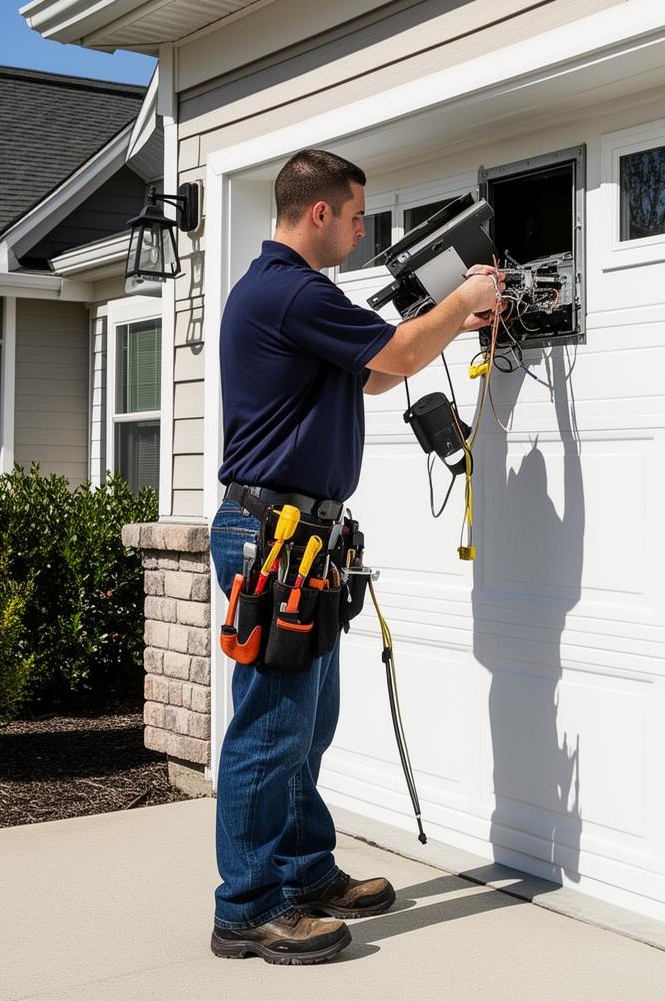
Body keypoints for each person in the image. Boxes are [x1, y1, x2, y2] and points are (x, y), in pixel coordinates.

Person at [207, 148, 502, 965]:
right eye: (357, 214)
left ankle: (302, 874)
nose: (364, 229)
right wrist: (465, 298)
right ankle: (249, 907)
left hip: (303, 541)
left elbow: (374, 374)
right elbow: (401, 358)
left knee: (308, 721)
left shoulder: (292, 296)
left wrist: (446, 322)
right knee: (270, 728)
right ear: (319, 214)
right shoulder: (290, 290)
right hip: (274, 538)